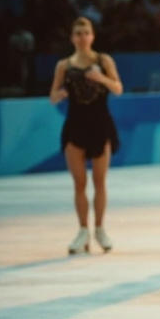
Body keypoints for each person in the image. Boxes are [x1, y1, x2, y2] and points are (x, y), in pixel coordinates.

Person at [49, 17, 123, 255]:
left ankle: (100, 229)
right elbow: (52, 96)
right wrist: (59, 95)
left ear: (92, 36)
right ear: (72, 38)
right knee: (79, 183)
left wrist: (102, 78)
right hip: (75, 126)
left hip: (100, 125)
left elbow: (118, 88)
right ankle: (83, 231)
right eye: (78, 33)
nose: (82, 37)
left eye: (86, 33)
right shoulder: (64, 65)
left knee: (99, 182)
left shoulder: (103, 61)